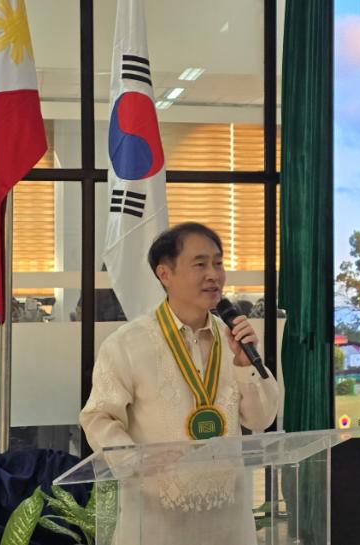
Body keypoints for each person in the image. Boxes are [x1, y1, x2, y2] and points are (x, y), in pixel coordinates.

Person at [79, 222, 278, 545]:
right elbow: (98, 417)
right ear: (164, 274)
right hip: (156, 523)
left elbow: (261, 419)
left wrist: (245, 365)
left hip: (228, 523)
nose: (213, 275)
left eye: (218, 263)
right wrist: (135, 461)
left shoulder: (234, 341)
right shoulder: (127, 344)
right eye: (200, 264)